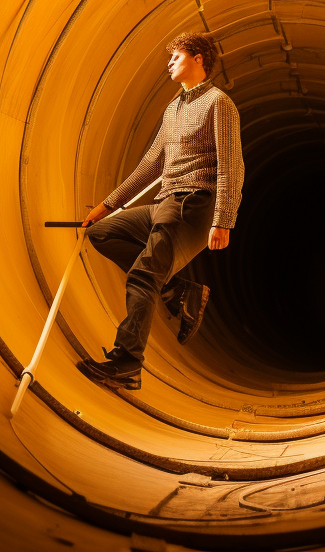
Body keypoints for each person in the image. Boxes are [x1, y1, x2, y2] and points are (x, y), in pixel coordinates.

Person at [76, 32, 244, 390]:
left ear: (198, 58)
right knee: (101, 234)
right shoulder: (174, 108)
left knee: (142, 276)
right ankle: (178, 291)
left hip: (193, 203)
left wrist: (223, 219)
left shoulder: (219, 103)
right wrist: (106, 206)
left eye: (176, 56)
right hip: (166, 201)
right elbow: (150, 166)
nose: (168, 63)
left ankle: (127, 362)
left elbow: (232, 165)